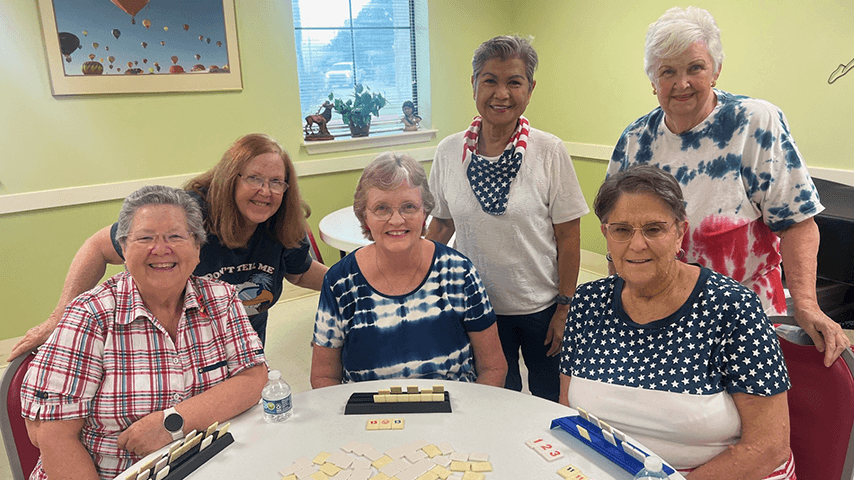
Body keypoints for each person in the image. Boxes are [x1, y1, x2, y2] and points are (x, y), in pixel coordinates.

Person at [609, 6, 848, 366]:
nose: (681, 83)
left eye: (695, 68)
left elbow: (797, 222)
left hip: (742, 315)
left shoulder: (755, 123)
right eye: (667, 72)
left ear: (716, 69)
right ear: (652, 80)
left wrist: (808, 305)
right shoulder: (635, 139)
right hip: (658, 313)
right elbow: (620, 235)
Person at [560, 165, 794, 479]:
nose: (637, 244)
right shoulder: (588, 302)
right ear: (606, 234)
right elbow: (568, 411)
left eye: (654, 229)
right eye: (622, 230)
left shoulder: (731, 307)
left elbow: (768, 446)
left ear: (679, 232)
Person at [21, 186, 268, 480]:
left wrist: (172, 421)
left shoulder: (222, 300)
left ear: (198, 248)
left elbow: (253, 378)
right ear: (124, 249)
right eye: (145, 237)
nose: (161, 249)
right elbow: (52, 434)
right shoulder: (90, 315)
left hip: (204, 466)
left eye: (175, 236)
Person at [9, 133, 327, 358]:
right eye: (254, 179)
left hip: (241, 358)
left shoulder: (280, 223)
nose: (266, 191)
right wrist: (59, 317)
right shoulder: (185, 215)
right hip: (172, 362)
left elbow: (299, 273)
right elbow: (97, 247)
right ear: (231, 177)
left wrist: (358, 280)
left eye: (276, 182)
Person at [426, 35, 589, 402]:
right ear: (473, 86)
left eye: (514, 82)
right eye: (490, 80)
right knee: (498, 398)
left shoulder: (549, 151)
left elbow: (569, 237)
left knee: (549, 398)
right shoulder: (449, 151)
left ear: (530, 89)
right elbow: (442, 224)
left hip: (541, 307)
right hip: (477, 307)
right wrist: (413, 277)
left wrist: (565, 308)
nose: (501, 93)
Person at [311, 152, 507, 387]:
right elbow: (324, 376)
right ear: (365, 218)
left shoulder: (459, 273)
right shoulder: (340, 282)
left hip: (452, 415)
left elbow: (493, 366)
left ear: (424, 213)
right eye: (382, 208)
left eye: (409, 207)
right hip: (369, 419)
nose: (396, 220)